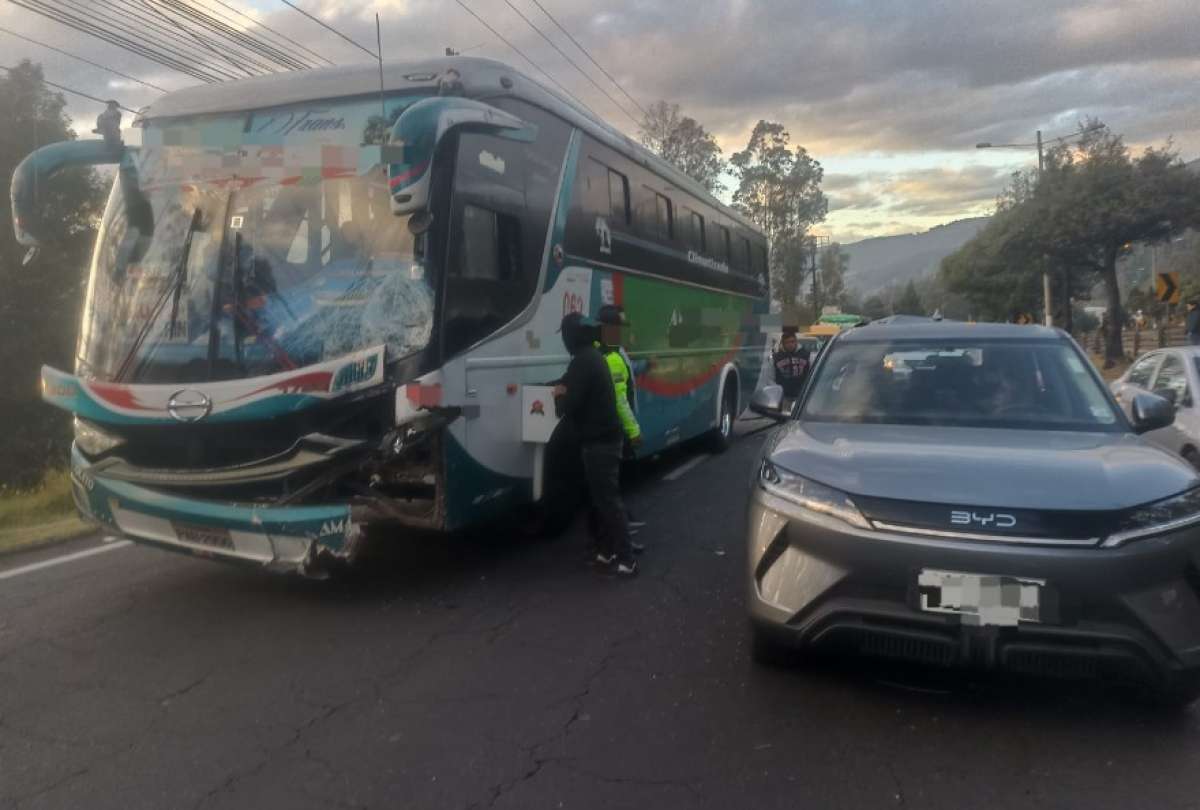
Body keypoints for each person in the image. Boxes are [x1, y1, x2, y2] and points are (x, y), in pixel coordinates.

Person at [554, 312, 636, 577]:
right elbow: (569, 382)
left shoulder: (583, 362)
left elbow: (568, 405)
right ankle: (607, 551)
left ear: (571, 336)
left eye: (565, 335)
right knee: (600, 500)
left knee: (607, 501)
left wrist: (559, 396)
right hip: (605, 440)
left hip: (599, 443)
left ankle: (627, 559)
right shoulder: (592, 357)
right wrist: (561, 386)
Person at [596, 305, 647, 549]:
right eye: (618, 327)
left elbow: (630, 371)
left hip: (608, 430)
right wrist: (634, 431)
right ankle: (621, 544)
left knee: (609, 487)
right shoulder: (610, 356)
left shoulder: (609, 351)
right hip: (616, 429)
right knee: (612, 487)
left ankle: (612, 537)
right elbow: (620, 400)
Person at [773, 329, 810, 406]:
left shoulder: (806, 355)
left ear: (796, 342)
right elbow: (772, 377)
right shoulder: (777, 358)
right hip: (784, 396)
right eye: (787, 342)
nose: (790, 344)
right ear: (783, 344)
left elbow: (811, 372)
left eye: (792, 341)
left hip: (802, 395)